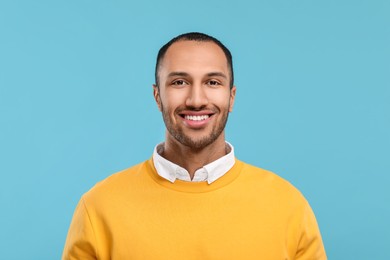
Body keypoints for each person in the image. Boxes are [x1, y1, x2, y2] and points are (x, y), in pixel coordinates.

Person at [62, 32, 327, 259]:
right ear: (157, 96)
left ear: (231, 97)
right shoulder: (99, 207)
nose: (196, 99)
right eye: (179, 82)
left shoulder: (288, 206)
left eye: (212, 82)